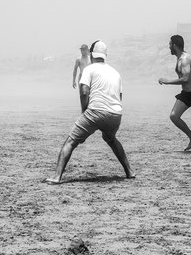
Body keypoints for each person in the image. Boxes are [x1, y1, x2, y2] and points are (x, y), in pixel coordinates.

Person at [46, 41, 134, 184]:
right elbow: (120, 97)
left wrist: (84, 111)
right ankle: (130, 171)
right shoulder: (116, 72)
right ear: (105, 56)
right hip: (116, 114)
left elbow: (84, 91)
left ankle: (56, 177)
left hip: (95, 112)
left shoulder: (89, 69)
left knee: (71, 141)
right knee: (110, 138)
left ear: (92, 54)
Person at [159, 34, 191, 153]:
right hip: (187, 93)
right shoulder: (179, 58)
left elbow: (185, 78)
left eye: (169, 44)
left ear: (174, 45)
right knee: (174, 116)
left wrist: (168, 82)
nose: (168, 47)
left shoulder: (184, 59)